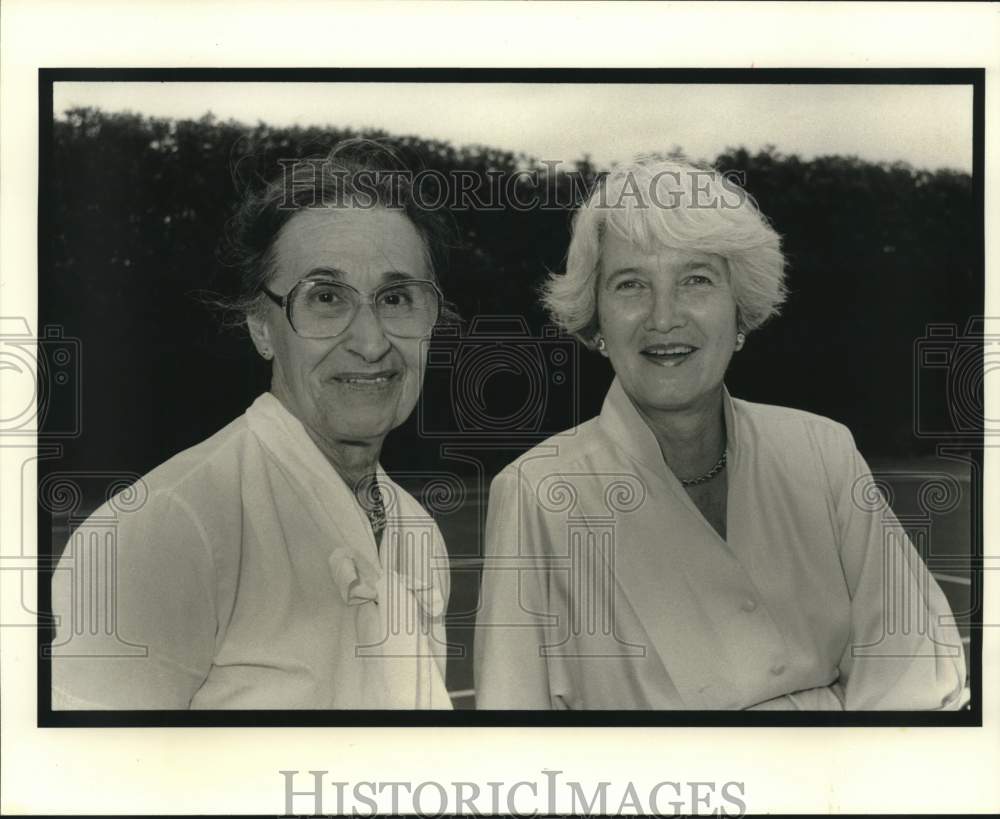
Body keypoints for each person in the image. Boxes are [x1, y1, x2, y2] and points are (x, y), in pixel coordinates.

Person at [474, 157, 967, 710]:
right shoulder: (538, 492)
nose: (664, 317)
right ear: (597, 322)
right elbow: (513, 725)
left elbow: (914, 677)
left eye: (696, 280)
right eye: (630, 284)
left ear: (740, 312)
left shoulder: (821, 452)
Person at [50, 140, 454, 709]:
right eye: (326, 297)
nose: (370, 342)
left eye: (396, 298)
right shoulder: (165, 529)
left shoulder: (418, 533)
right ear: (262, 326)